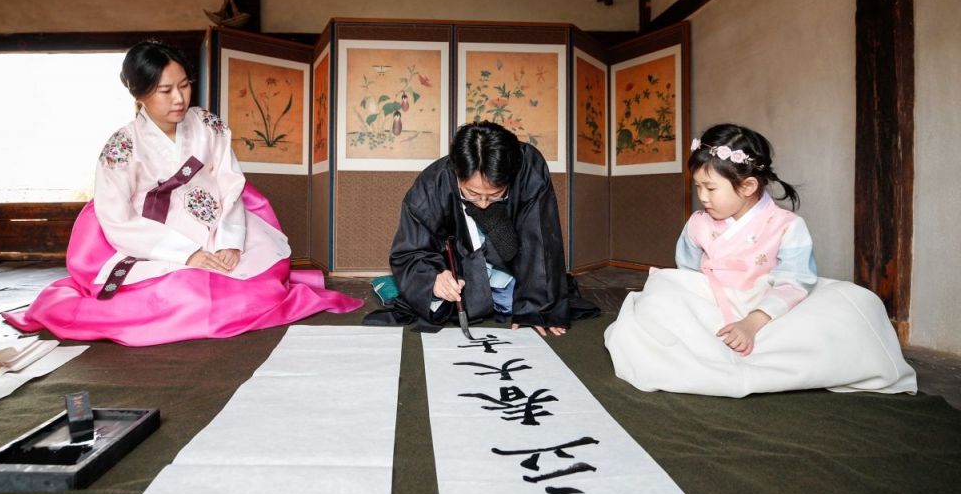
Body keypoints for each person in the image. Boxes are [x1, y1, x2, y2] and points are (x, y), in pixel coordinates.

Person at [4, 40, 362, 346]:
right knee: (184, 294)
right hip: (154, 236)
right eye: (165, 91)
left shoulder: (208, 125)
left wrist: (230, 241)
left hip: (216, 221)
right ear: (140, 93)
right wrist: (186, 253)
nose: (179, 98)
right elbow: (117, 218)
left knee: (258, 277)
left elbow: (229, 183)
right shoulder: (122, 145)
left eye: (185, 85)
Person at [604, 123, 916, 397]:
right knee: (660, 295)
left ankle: (745, 349)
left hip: (770, 305)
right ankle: (721, 348)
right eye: (697, 186)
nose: (702, 196)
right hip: (711, 301)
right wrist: (692, 306)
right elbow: (686, 275)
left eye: (710, 187)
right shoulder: (698, 224)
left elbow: (795, 281)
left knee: (856, 306)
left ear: (748, 186)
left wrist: (753, 322)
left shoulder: (787, 225)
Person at [383, 120, 598, 336]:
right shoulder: (431, 185)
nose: (484, 203)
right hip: (461, 265)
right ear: (456, 172)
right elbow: (409, 250)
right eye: (473, 194)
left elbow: (539, 238)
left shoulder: (528, 167)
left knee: (528, 298)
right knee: (440, 303)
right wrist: (432, 278)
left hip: (511, 263)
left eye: (495, 195)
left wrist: (538, 308)